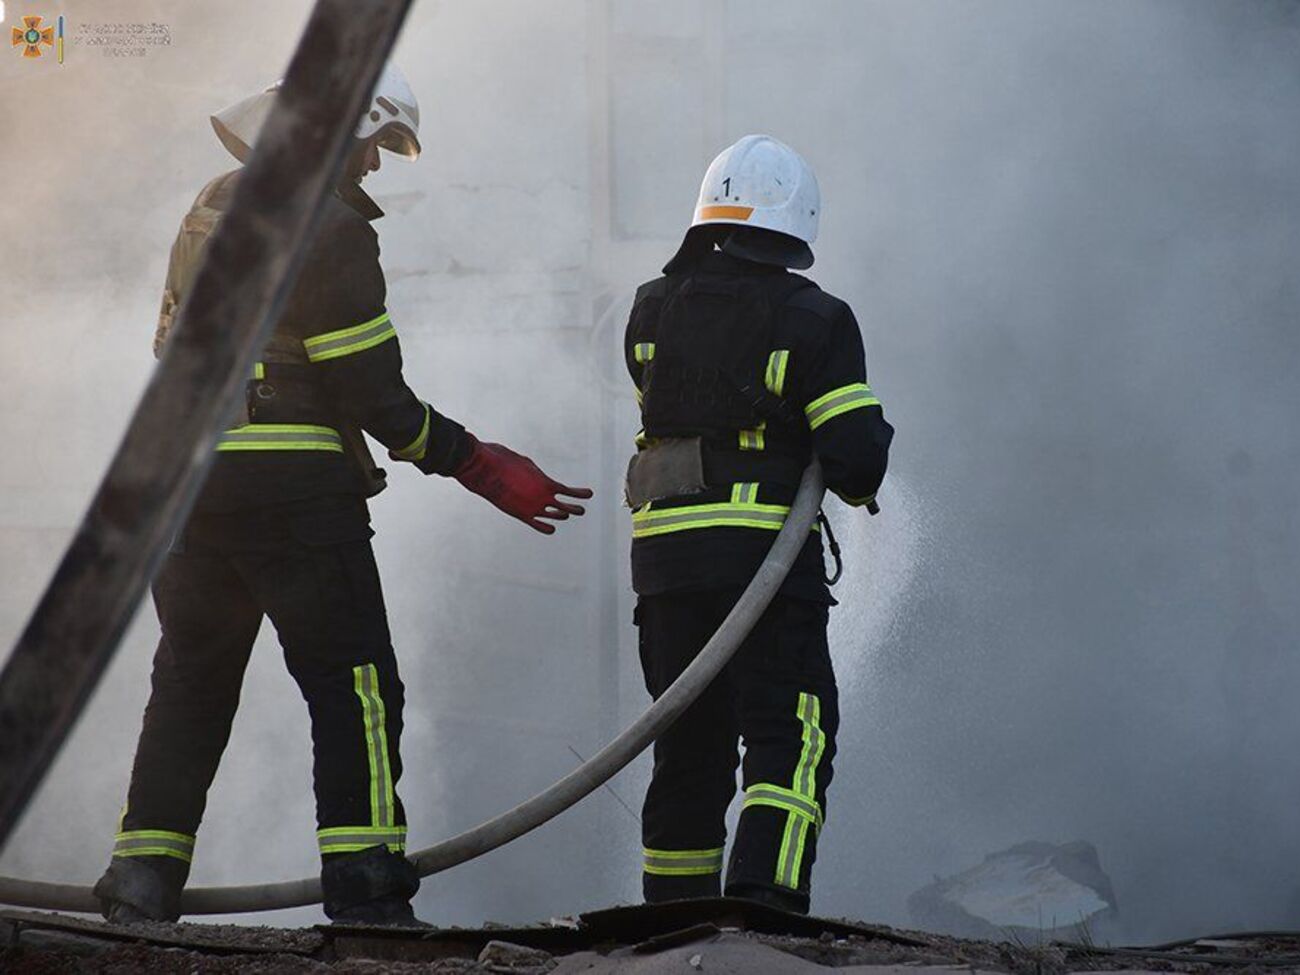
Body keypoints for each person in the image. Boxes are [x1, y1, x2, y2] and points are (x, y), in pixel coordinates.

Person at [92, 66, 592, 926]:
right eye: (370, 147)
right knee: (355, 684)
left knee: (189, 686)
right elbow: (372, 392)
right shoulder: (327, 228)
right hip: (294, 500)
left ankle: (140, 882)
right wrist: (478, 464)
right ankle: (364, 886)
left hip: (187, 495)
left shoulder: (207, 213)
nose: (373, 168)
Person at [624, 134, 893, 914]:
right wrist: (868, 433)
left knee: (688, 744)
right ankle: (762, 908)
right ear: (798, 226)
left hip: (665, 564)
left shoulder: (648, 308)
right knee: (792, 732)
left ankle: (670, 920)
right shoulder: (817, 319)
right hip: (763, 560)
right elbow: (853, 461)